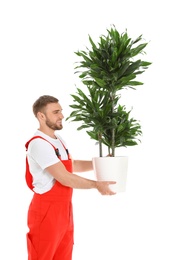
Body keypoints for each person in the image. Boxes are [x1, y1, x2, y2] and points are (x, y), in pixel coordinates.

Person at [25, 95, 116, 260]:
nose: (62, 115)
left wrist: (100, 163)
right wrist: (97, 185)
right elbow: (64, 177)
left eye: (61, 111)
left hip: (64, 211)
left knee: (63, 256)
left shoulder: (58, 140)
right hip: (46, 212)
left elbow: (73, 165)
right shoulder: (38, 143)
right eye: (56, 112)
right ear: (41, 116)